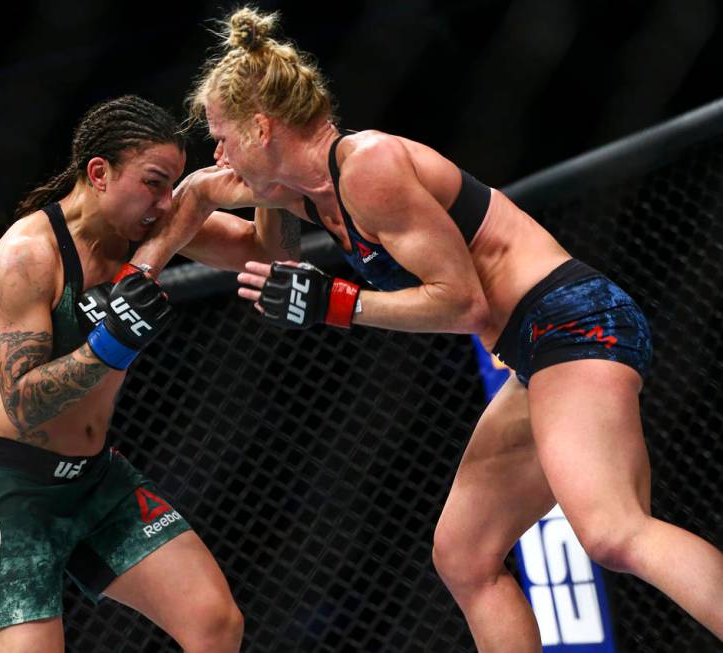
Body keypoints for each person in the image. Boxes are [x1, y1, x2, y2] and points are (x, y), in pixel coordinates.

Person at [129, 7, 723, 651]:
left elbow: (460, 303)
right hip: (536, 351)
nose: (219, 154)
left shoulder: (369, 166)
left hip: (574, 323)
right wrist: (143, 256)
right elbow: (242, 239)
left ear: (263, 126)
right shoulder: (307, 195)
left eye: (223, 135)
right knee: (465, 556)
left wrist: (338, 303)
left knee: (612, 530)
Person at [0, 95, 255, 653]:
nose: (166, 204)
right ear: (99, 172)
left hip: (93, 479)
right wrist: (110, 343)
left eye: (174, 187)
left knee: (215, 624)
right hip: (10, 491)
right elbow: (24, 403)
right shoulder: (25, 256)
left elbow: (267, 253)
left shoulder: (145, 228)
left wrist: (270, 184)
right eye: (154, 183)